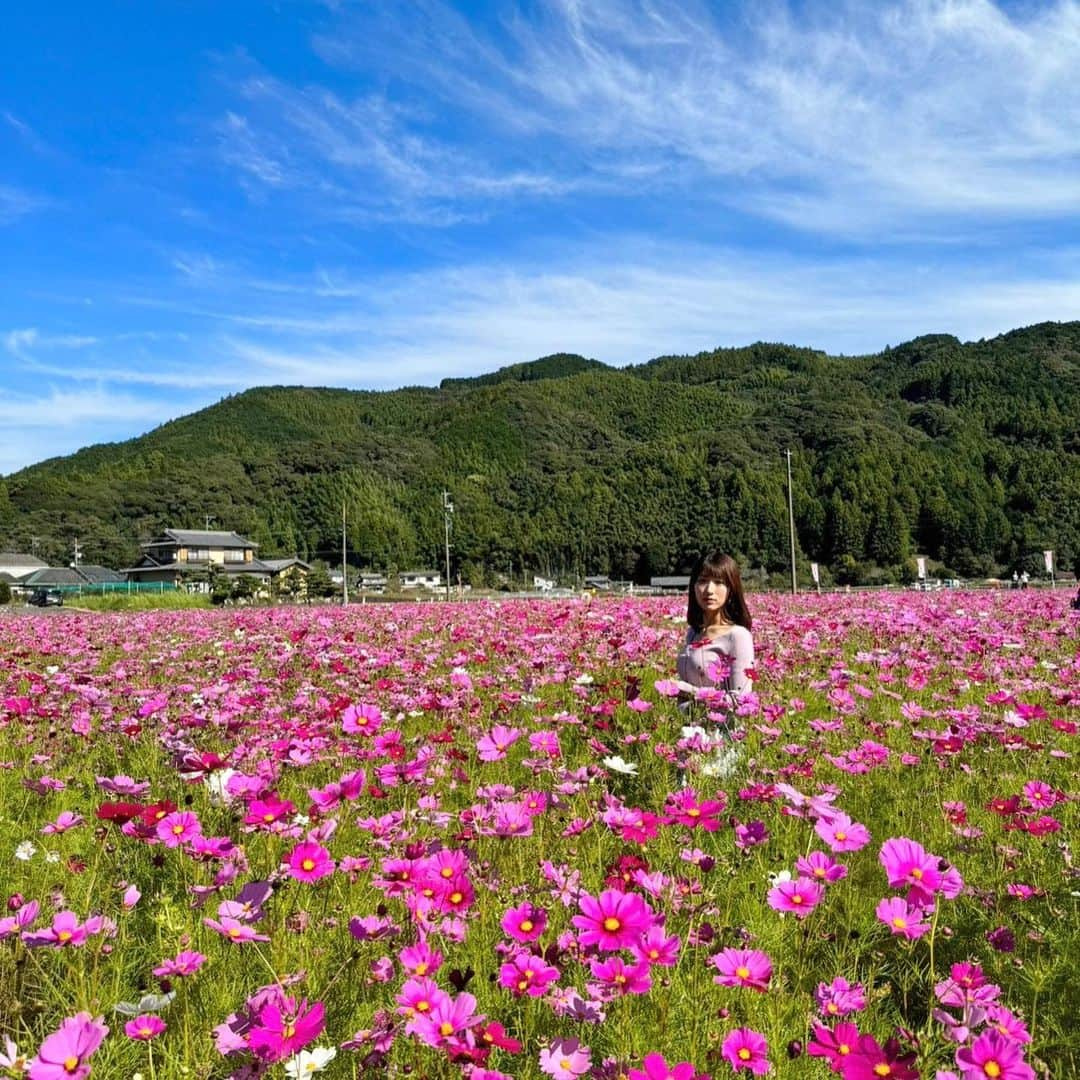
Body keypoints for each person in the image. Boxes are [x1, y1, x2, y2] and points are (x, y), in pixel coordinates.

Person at [676, 551, 755, 702]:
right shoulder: (693, 632)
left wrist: (689, 692)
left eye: (718, 582)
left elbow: (742, 699)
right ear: (694, 586)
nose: (709, 590)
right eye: (703, 581)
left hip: (720, 724)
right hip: (688, 723)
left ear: (731, 589)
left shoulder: (738, 636)